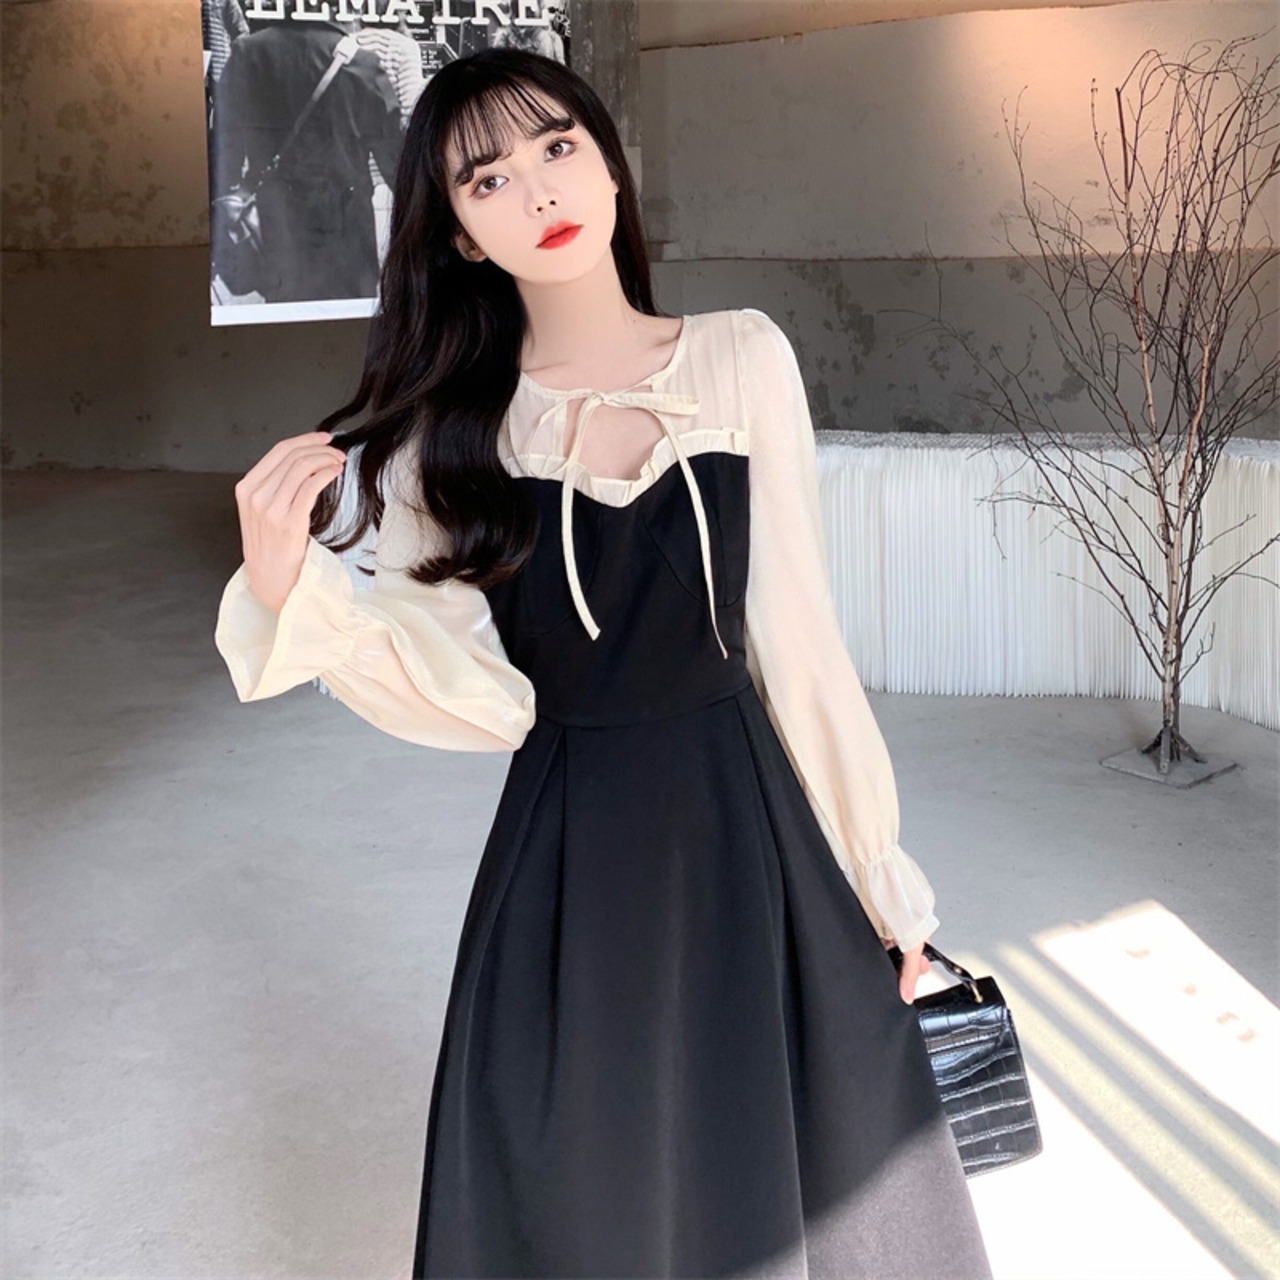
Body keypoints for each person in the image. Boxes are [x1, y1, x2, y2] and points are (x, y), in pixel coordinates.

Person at [213, 47, 993, 1280]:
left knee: (805, 1140)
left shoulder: (740, 354)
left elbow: (797, 637)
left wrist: (881, 882)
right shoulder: (445, 436)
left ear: (609, 166)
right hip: (570, 842)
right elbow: (474, 701)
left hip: (748, 815)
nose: (536, 190)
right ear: (457, 233)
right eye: (486, 179)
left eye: (558, 146)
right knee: (586, 1161)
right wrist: (290, 588)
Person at [209, 7, 404, 302]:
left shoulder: (248, 53)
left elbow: (225, 143)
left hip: (277, 219)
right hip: (347, 223)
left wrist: (225, 202)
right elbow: (396, 161)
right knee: (352, 317)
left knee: (286, 311)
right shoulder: (361, 63)